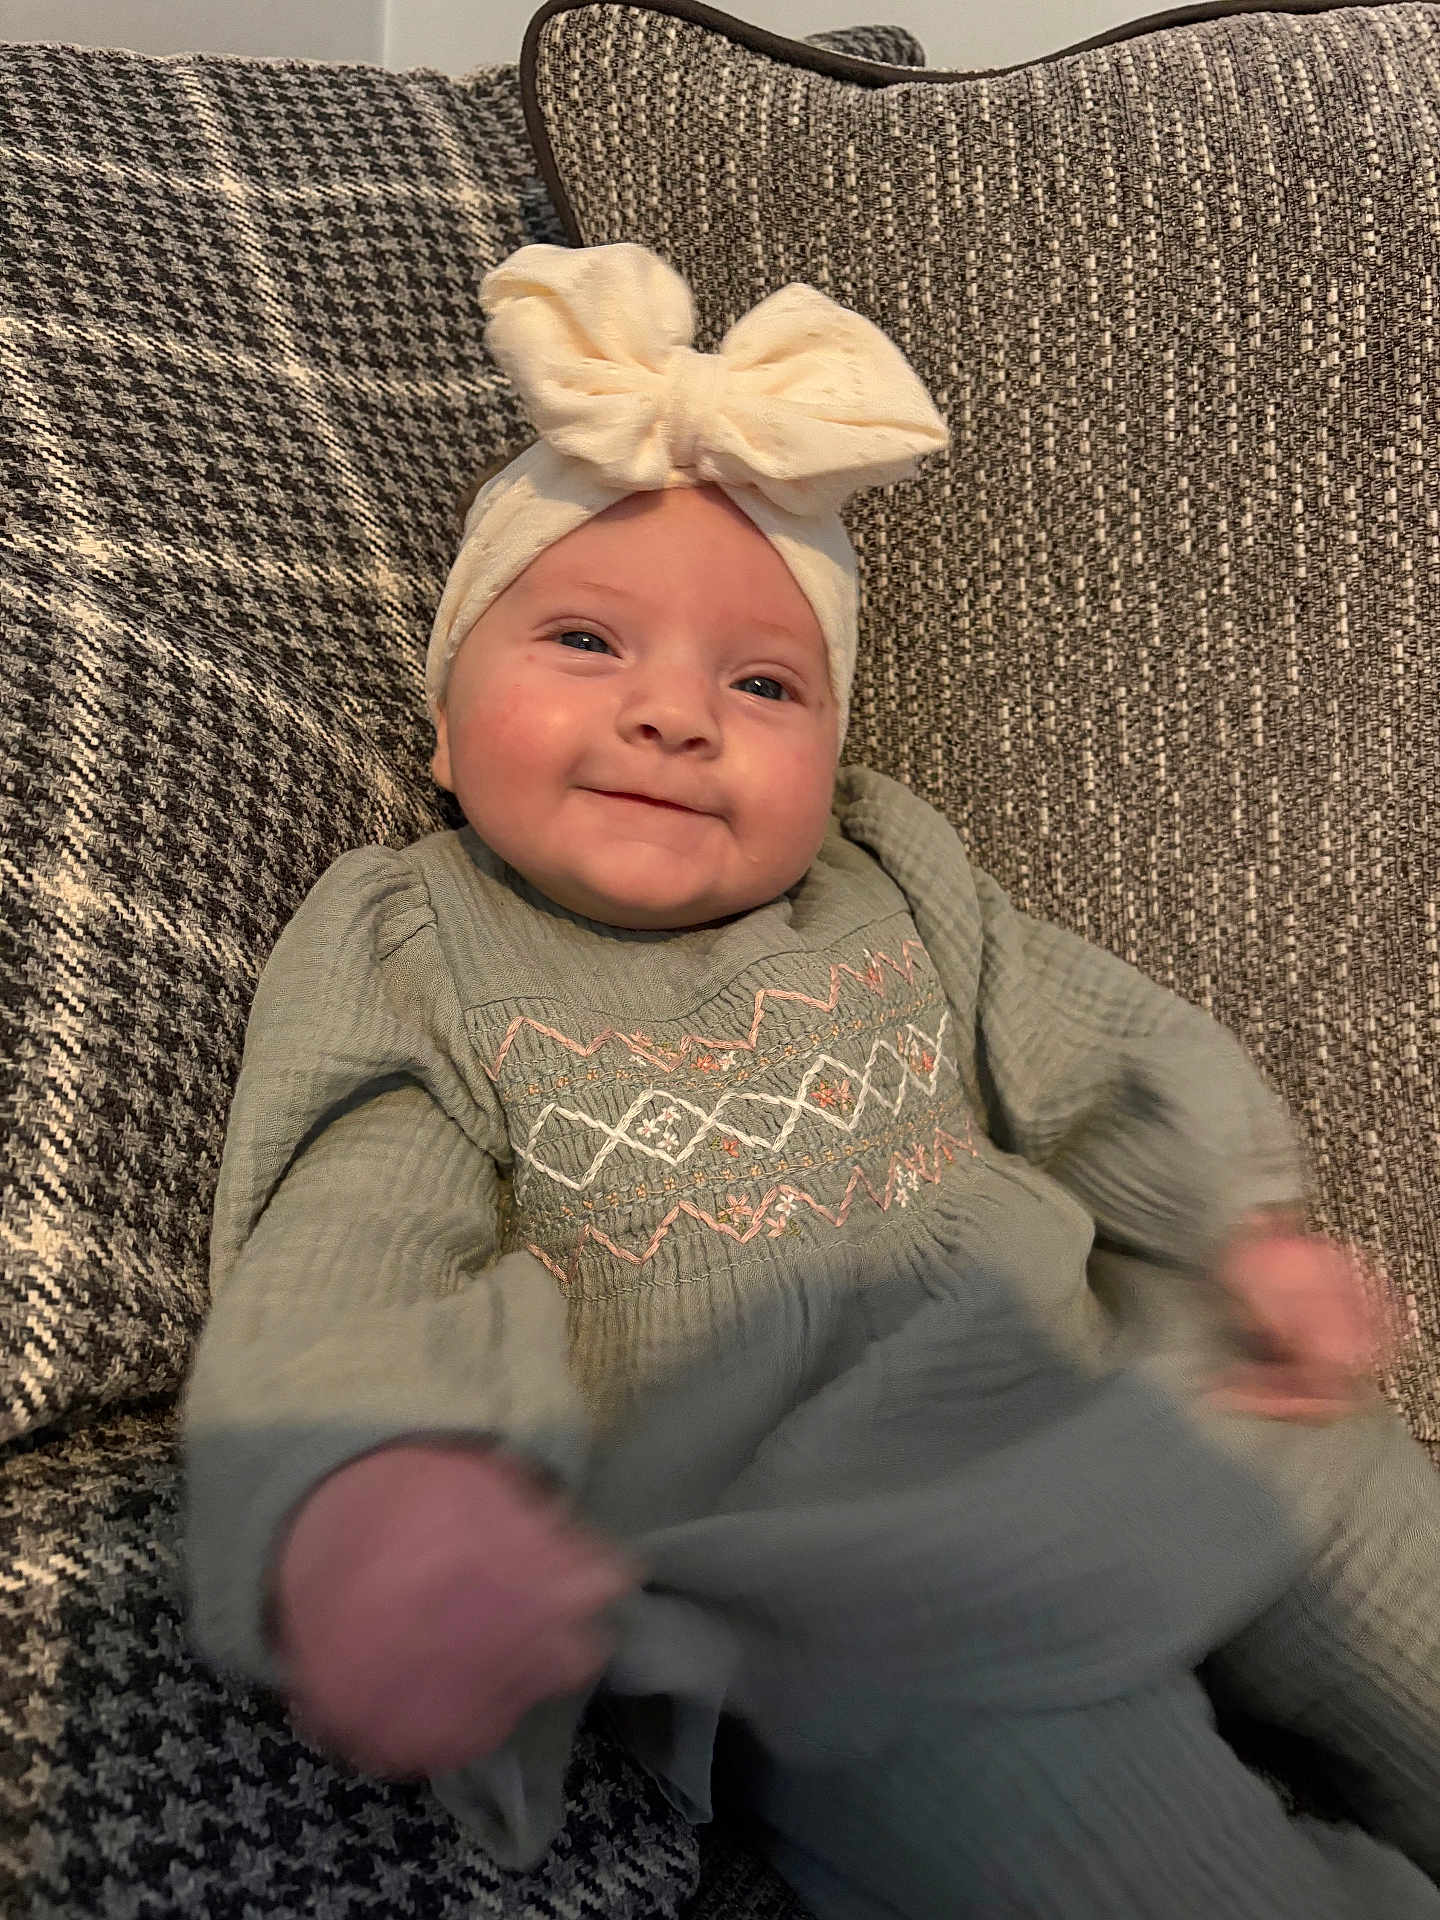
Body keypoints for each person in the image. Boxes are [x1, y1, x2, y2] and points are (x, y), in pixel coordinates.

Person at [183, 242, 1440, 1918]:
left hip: (1156, 1402)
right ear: (438, 718)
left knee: (1386, 1547)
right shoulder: (416, 939)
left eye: (762, 684)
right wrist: (370, 1496)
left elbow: (1098, 1048)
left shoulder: (893, 871)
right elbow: (351, 1234)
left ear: (834, 750)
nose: (675, 718)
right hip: (862, 1585)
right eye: (582, 640)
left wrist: (1240, 1225)